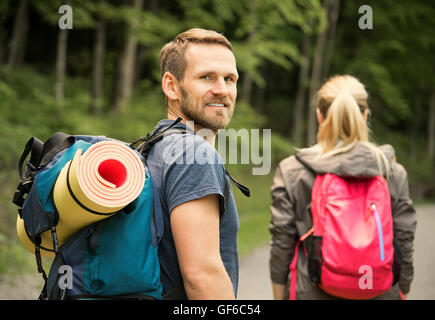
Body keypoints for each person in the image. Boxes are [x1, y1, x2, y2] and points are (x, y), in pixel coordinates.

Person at [269, 75, 417, 300]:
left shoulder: (292, 171)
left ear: (319, 116)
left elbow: (282, 243)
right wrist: (403, 289)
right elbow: (404, 239)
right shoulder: (391, 171)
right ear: (365, 115)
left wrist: (279, 295)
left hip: (311, 291)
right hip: (380, 291)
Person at [146, 28, 240, 299]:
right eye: (206, 77)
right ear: (171, 86)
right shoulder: (192, 155)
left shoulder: (157, 145)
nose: (222, 90)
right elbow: (202, 276)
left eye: (229, 79)